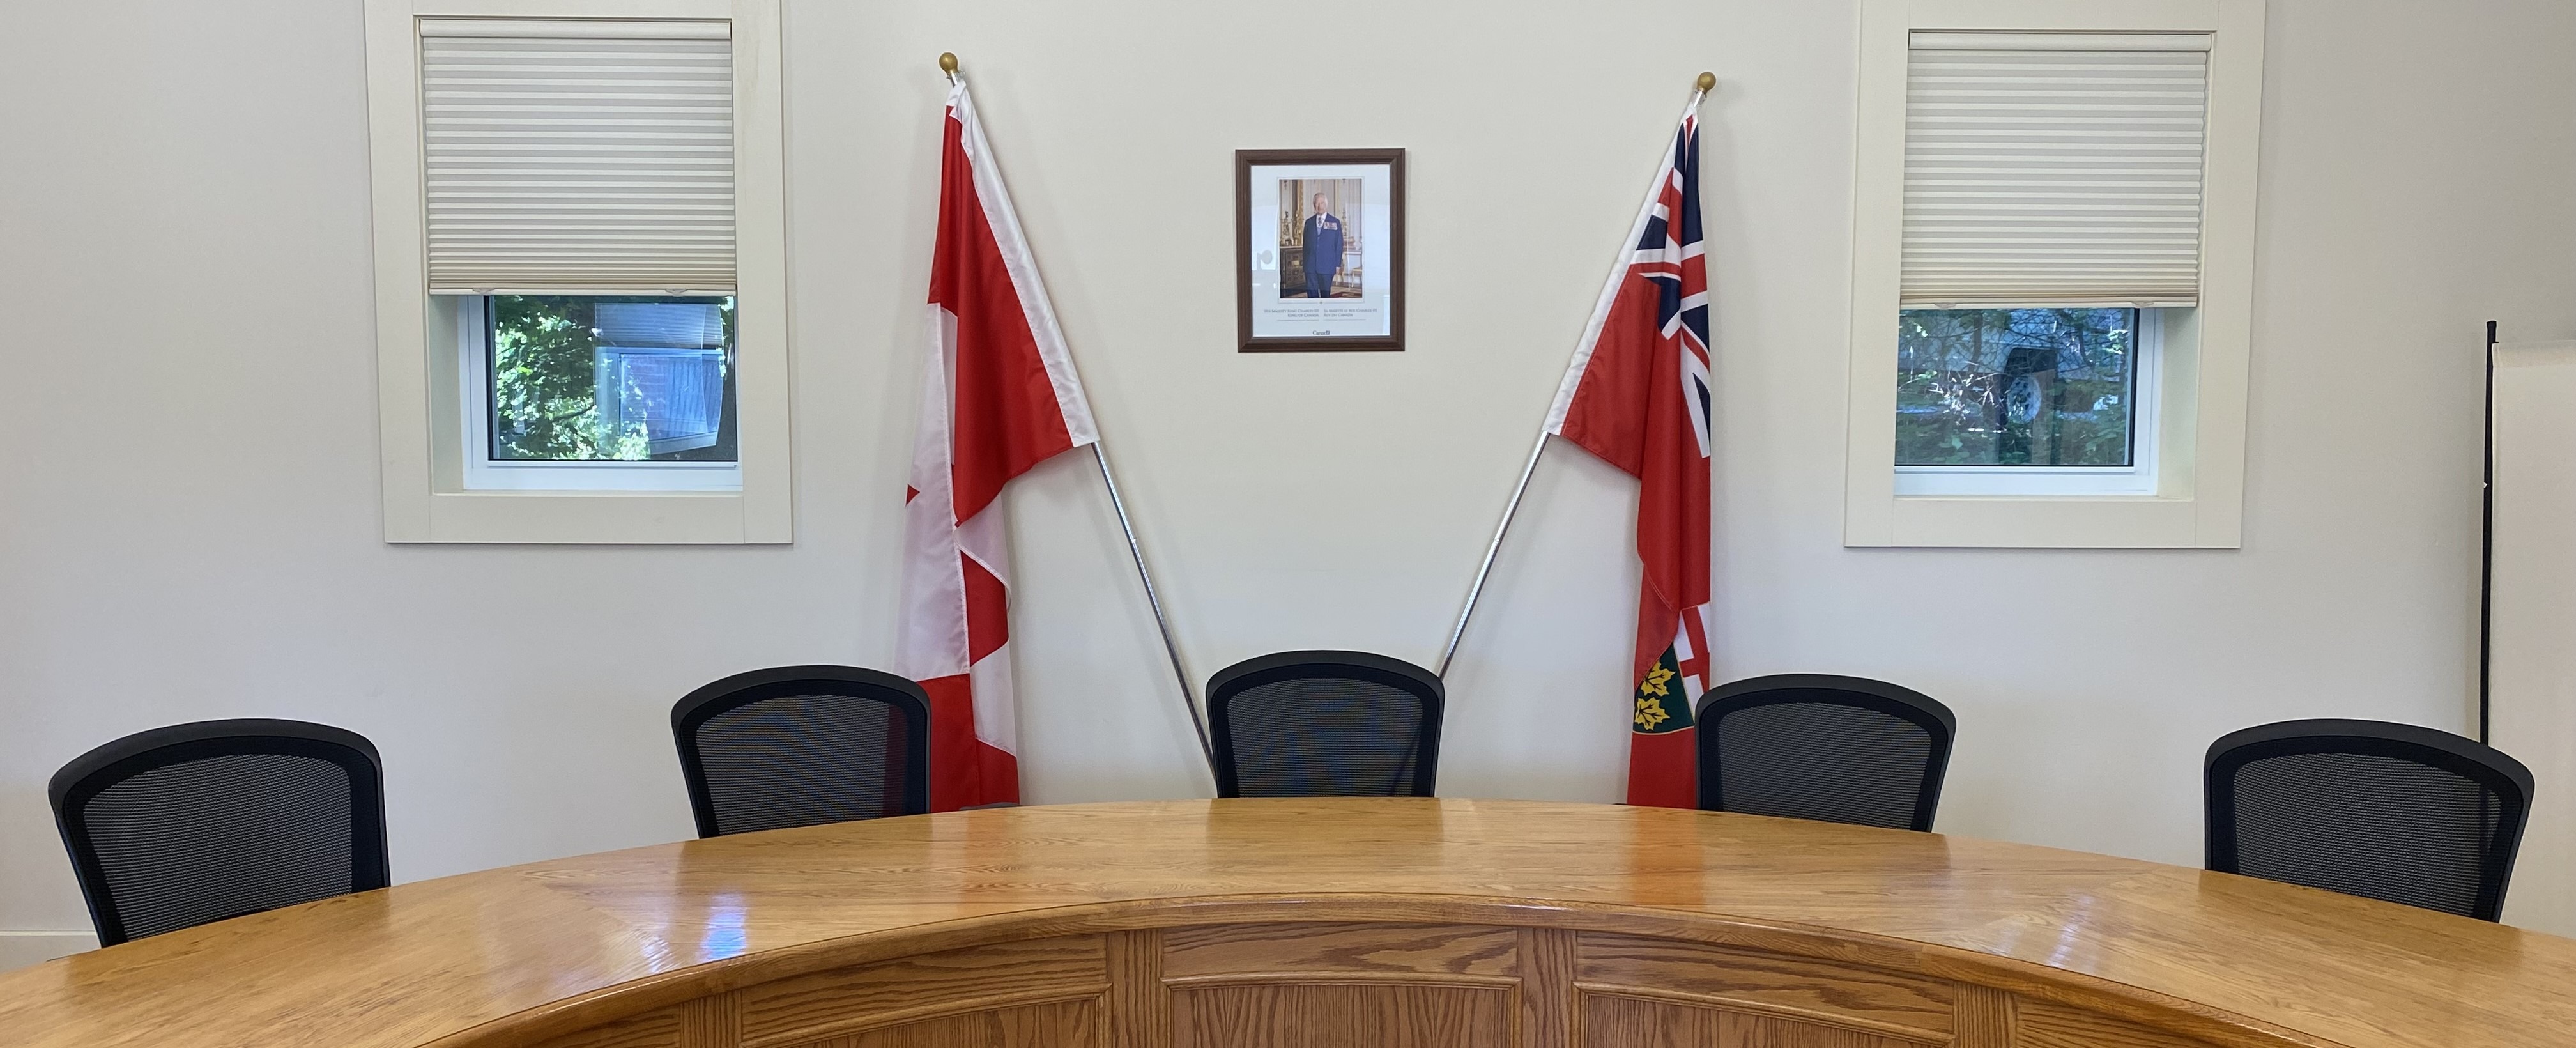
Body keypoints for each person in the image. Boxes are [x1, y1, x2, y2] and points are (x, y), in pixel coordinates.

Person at [1300, 192, 1344, 298]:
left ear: (1326, 204)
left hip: (1327, 266)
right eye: (1317, 203)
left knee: (1325, 295)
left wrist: (1337, 265)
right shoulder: (1308, 223)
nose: (1320, 206)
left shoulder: (1335, 222)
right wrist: (1305, 264)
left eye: (1322, 203)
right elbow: (1305, 245)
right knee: (1312, 295)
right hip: (1310, 266)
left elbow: (1339, 244)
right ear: (1314, 205)